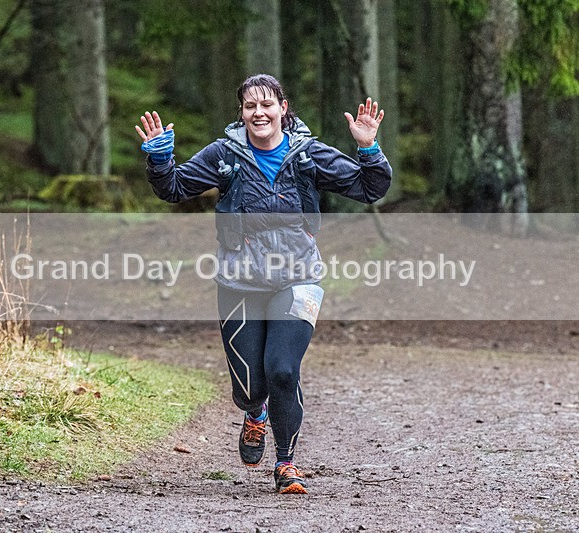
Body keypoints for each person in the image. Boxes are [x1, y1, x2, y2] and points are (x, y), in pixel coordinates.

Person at [135, 74, 392, 494]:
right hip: (240, 283)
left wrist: (368, 148)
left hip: (299, 278)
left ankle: (287, 463)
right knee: (251, 386)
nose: (259, 112)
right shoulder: (225, 155)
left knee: (283, 372)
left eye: (267, 104)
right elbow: (175, 189)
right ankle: (254, 413)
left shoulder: (308, 155)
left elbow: (371, 188)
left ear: (283, 108)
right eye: (250, 105)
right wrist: (160, 160)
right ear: (242, 112)